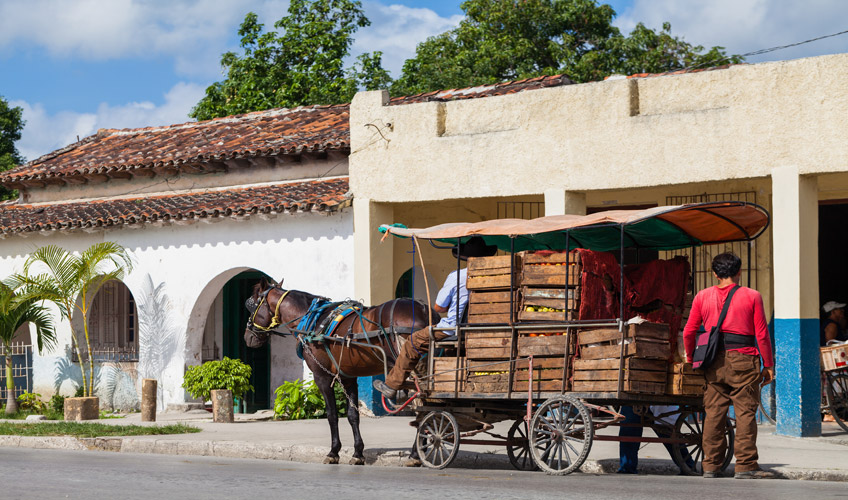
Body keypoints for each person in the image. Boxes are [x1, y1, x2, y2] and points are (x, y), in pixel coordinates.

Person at [683, 252, 775, 479]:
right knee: (745, 413)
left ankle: (711, 466)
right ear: (739, 271)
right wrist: (769, 364)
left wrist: (690, 358)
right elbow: (761, 334)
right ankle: (745, 466)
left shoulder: (701, 296)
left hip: (712, 362)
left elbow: (689, 331)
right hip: (744, 359)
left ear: (715, 274)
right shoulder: (752, 296)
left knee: (713, 413)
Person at [373, 236, 498, 400]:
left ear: (464, 258)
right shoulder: (496, 276)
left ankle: (392, 385)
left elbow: (439, 307)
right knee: (446, 348)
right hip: (484, 327)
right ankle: (445, 378)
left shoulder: (457, 276)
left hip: (454, 328)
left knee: (413, 342)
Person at [617, 405, 695, 474]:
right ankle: (627, 467)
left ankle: (688, 465)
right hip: (633, 402)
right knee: (628, 433)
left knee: (669, 436)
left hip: (660, 404)